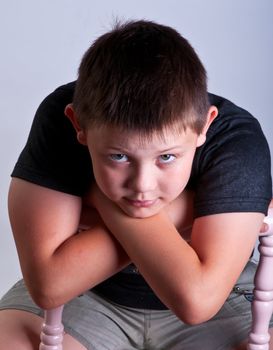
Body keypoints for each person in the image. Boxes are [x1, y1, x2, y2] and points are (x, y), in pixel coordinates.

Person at [0, 19, 272, 350]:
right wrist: (184, 209)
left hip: (224, 300)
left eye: (167, 158)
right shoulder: (59, 117)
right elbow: (50, 285)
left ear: (204, 125)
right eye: (118, 156)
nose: (142, 186)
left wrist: (99, 197)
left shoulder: (235, 140)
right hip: (90, 295)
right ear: (78, 124)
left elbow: (199, 300)